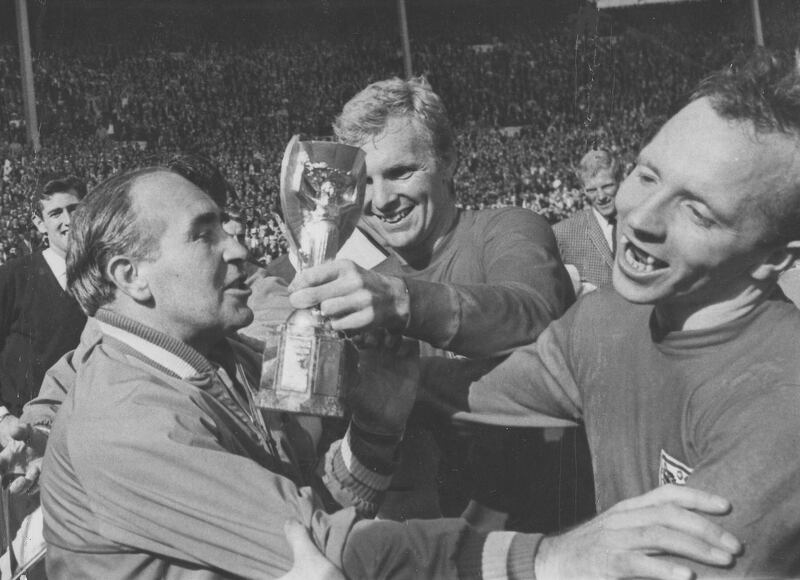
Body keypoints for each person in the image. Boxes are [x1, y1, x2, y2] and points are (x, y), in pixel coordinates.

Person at [34, 164, 741, 580]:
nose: (242, 246)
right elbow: (328, 548)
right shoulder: (127, 421)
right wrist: (551, 559)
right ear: (133, 278)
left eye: (232, 224)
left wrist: (375, 426)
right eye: (206, 232)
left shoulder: (222, 358)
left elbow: (317, 499)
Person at [422, 49, 800, 576]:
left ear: (776, 258)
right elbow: (473, 391)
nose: (640, 218)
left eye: (697, 210)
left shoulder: (782, 410)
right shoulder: (606, 317)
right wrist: (383, 369)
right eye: (646, 175)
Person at [283, 76, 584, 528]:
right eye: (366, 182)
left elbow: (532, 311)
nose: (382, 200)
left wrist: (404, 307)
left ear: (448, 161)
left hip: (548, 527)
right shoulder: (368, 287)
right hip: (435, 544)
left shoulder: (507, 229)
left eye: (401, 172)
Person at [0, 176, 87, 550]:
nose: (67, 219)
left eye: (75, 209)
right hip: (24, 442)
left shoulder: (106, 280)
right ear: (40, 224)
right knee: (27, 552)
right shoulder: (13, 276)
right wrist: (2, 417)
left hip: (85, 441)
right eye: (56, 212)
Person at [553, 149, 621, 294]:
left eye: (607, 186)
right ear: (583, 190)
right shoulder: (563, 233)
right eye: (592, 190)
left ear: (620, 180)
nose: (601, 196)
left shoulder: (642, 220)